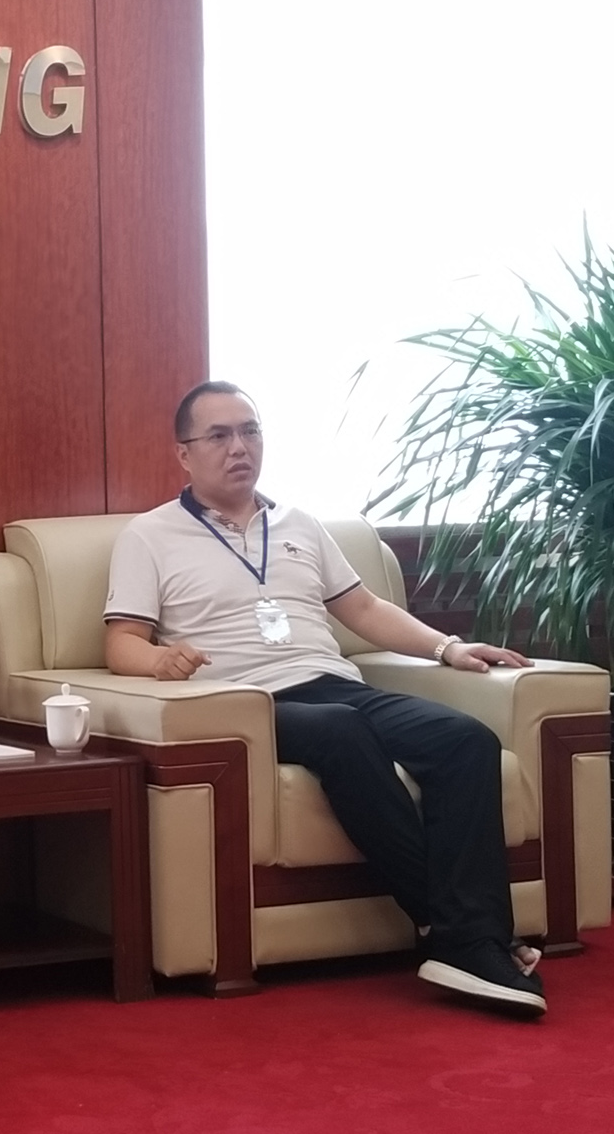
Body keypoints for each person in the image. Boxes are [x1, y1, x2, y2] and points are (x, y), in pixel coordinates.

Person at [102, 380, 546, 1014]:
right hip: (247, 703)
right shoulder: (150, 535)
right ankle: (468, 935)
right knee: (339, 730)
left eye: (249, 431)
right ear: (184, 454)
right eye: (219, 435)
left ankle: (462, 940)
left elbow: (363, 609)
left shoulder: (299, 524)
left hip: (333, 683)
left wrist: (448, 647)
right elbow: (121, 641)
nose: (239, 447)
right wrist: (159, 659)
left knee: (464, 740)